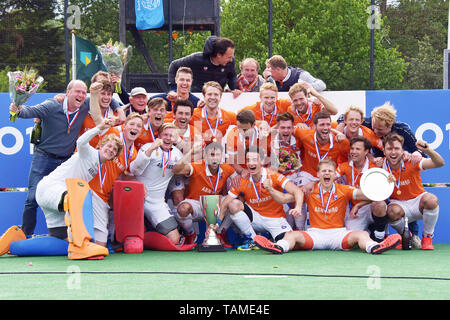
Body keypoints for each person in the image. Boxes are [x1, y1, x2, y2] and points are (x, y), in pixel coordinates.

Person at [0, 118, 124, 260]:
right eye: (108, 146)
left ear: (115, 156)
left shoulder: (96, 166)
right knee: (78, 197)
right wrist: (99, 127)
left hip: (54, 196)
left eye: (114, 150)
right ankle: (81, 245)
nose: (111, 150)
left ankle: (16, 243)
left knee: (62, 242)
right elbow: (81, 142)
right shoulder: (88, 152)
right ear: (100, 146)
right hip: (51, 189)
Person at [253, 159, 401, 255]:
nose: (327, 173)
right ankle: (278, 247)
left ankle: (375, 247)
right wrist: (271, 190)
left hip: (338, 234)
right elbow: (284, 198)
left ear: (334, 174)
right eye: (324, 171)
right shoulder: (309, 190)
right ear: (318, 174)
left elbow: (368, 194)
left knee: (362, 235)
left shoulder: (344, 189)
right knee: (291, 235)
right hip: (315, 234)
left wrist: (387, 183)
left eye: (330, 171)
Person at [8, 80, 90, 237]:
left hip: (66, 162)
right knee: (32, 198)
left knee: (68, 198)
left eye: (83, 92)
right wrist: (16, 108)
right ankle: (26, 235)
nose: (80, 95)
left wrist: (118, 108)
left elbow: (106, 97)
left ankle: (68, 236)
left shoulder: (85, 104)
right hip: (44, 158)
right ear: (68, 92)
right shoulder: (52, 105)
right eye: (77, 91)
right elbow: (29, 111)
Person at [219, 146, 303, 250]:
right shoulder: (242, 180)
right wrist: (216, 225)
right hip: (255, 218)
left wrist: (298, 207)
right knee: (233, 204)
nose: (251, 163)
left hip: (275, 219)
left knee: (288, 241)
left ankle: (272, 239)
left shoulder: (273, 175)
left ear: (262, 161)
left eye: (254, 160)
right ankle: (253, 240)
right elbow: (225, 203)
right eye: (248, 160)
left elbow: (297, 191)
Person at [382, 133, 444, 250]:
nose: (393, 152)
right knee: (390, 211)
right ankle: (407, 236)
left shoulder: (412, 160)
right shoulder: (380, 165)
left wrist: (428, 151)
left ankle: (427, 237)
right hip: (398, 204)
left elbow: (440, 163)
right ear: (384, 151)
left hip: (417, 201)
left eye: (397, 148)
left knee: (431, 200)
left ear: (402, 150)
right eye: (389, 149)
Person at [129, 123, 184, 245]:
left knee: (174, 239)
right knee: (130, 240)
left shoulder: (177, 154)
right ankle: (138, 235)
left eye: (171, 135)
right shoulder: (147, 147)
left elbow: (183, 172)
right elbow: (134, 170)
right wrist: (150, 150)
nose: (168, 138)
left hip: (157, 203)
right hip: (137, 198)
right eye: (165, 134)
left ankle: (145, 238)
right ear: (159, 136)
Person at [172, 142, 237, 244]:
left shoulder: (227, 168)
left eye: (218, 155)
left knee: (234, 203)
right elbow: (176, 170)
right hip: (197, 204)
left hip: (215, 205)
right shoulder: (197, 166)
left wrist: (238, 180)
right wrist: (191, 152)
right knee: (182, 209)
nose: (214, 158)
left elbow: (239, 184)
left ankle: (219, 233)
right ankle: (190, 233)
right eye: (211, 155)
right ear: (205, 156)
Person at [336, 136, 388, 242]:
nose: (353, 152)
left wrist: (360, 204)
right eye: (352, 149)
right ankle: (368, 233)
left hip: (370, 205)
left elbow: (381, 194)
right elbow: (332, 177)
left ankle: (380, 238)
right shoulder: (345, 166)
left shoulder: (375, 168)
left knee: (379, 204)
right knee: (349, 239)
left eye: (358, 149)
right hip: (357, 211)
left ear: (366, 152)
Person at [168, 36, 240, 97]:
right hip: (197, 96)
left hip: (217, 97)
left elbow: (232, 76)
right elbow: (174, 65)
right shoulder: (197, 58)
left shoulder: (230, 62)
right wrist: (173, 90)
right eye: (229, 57)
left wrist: (234, 89)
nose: (231, 60)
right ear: (219, 55)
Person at [226, 109, 270, 179]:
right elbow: (232, 160)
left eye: (245, 130)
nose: (241, 132)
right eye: (239, 128)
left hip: (259, 168)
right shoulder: (232, 135)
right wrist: (242, 171)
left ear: (253, 125)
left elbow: (263, 159)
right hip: (241, 169)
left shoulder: (262, 132)